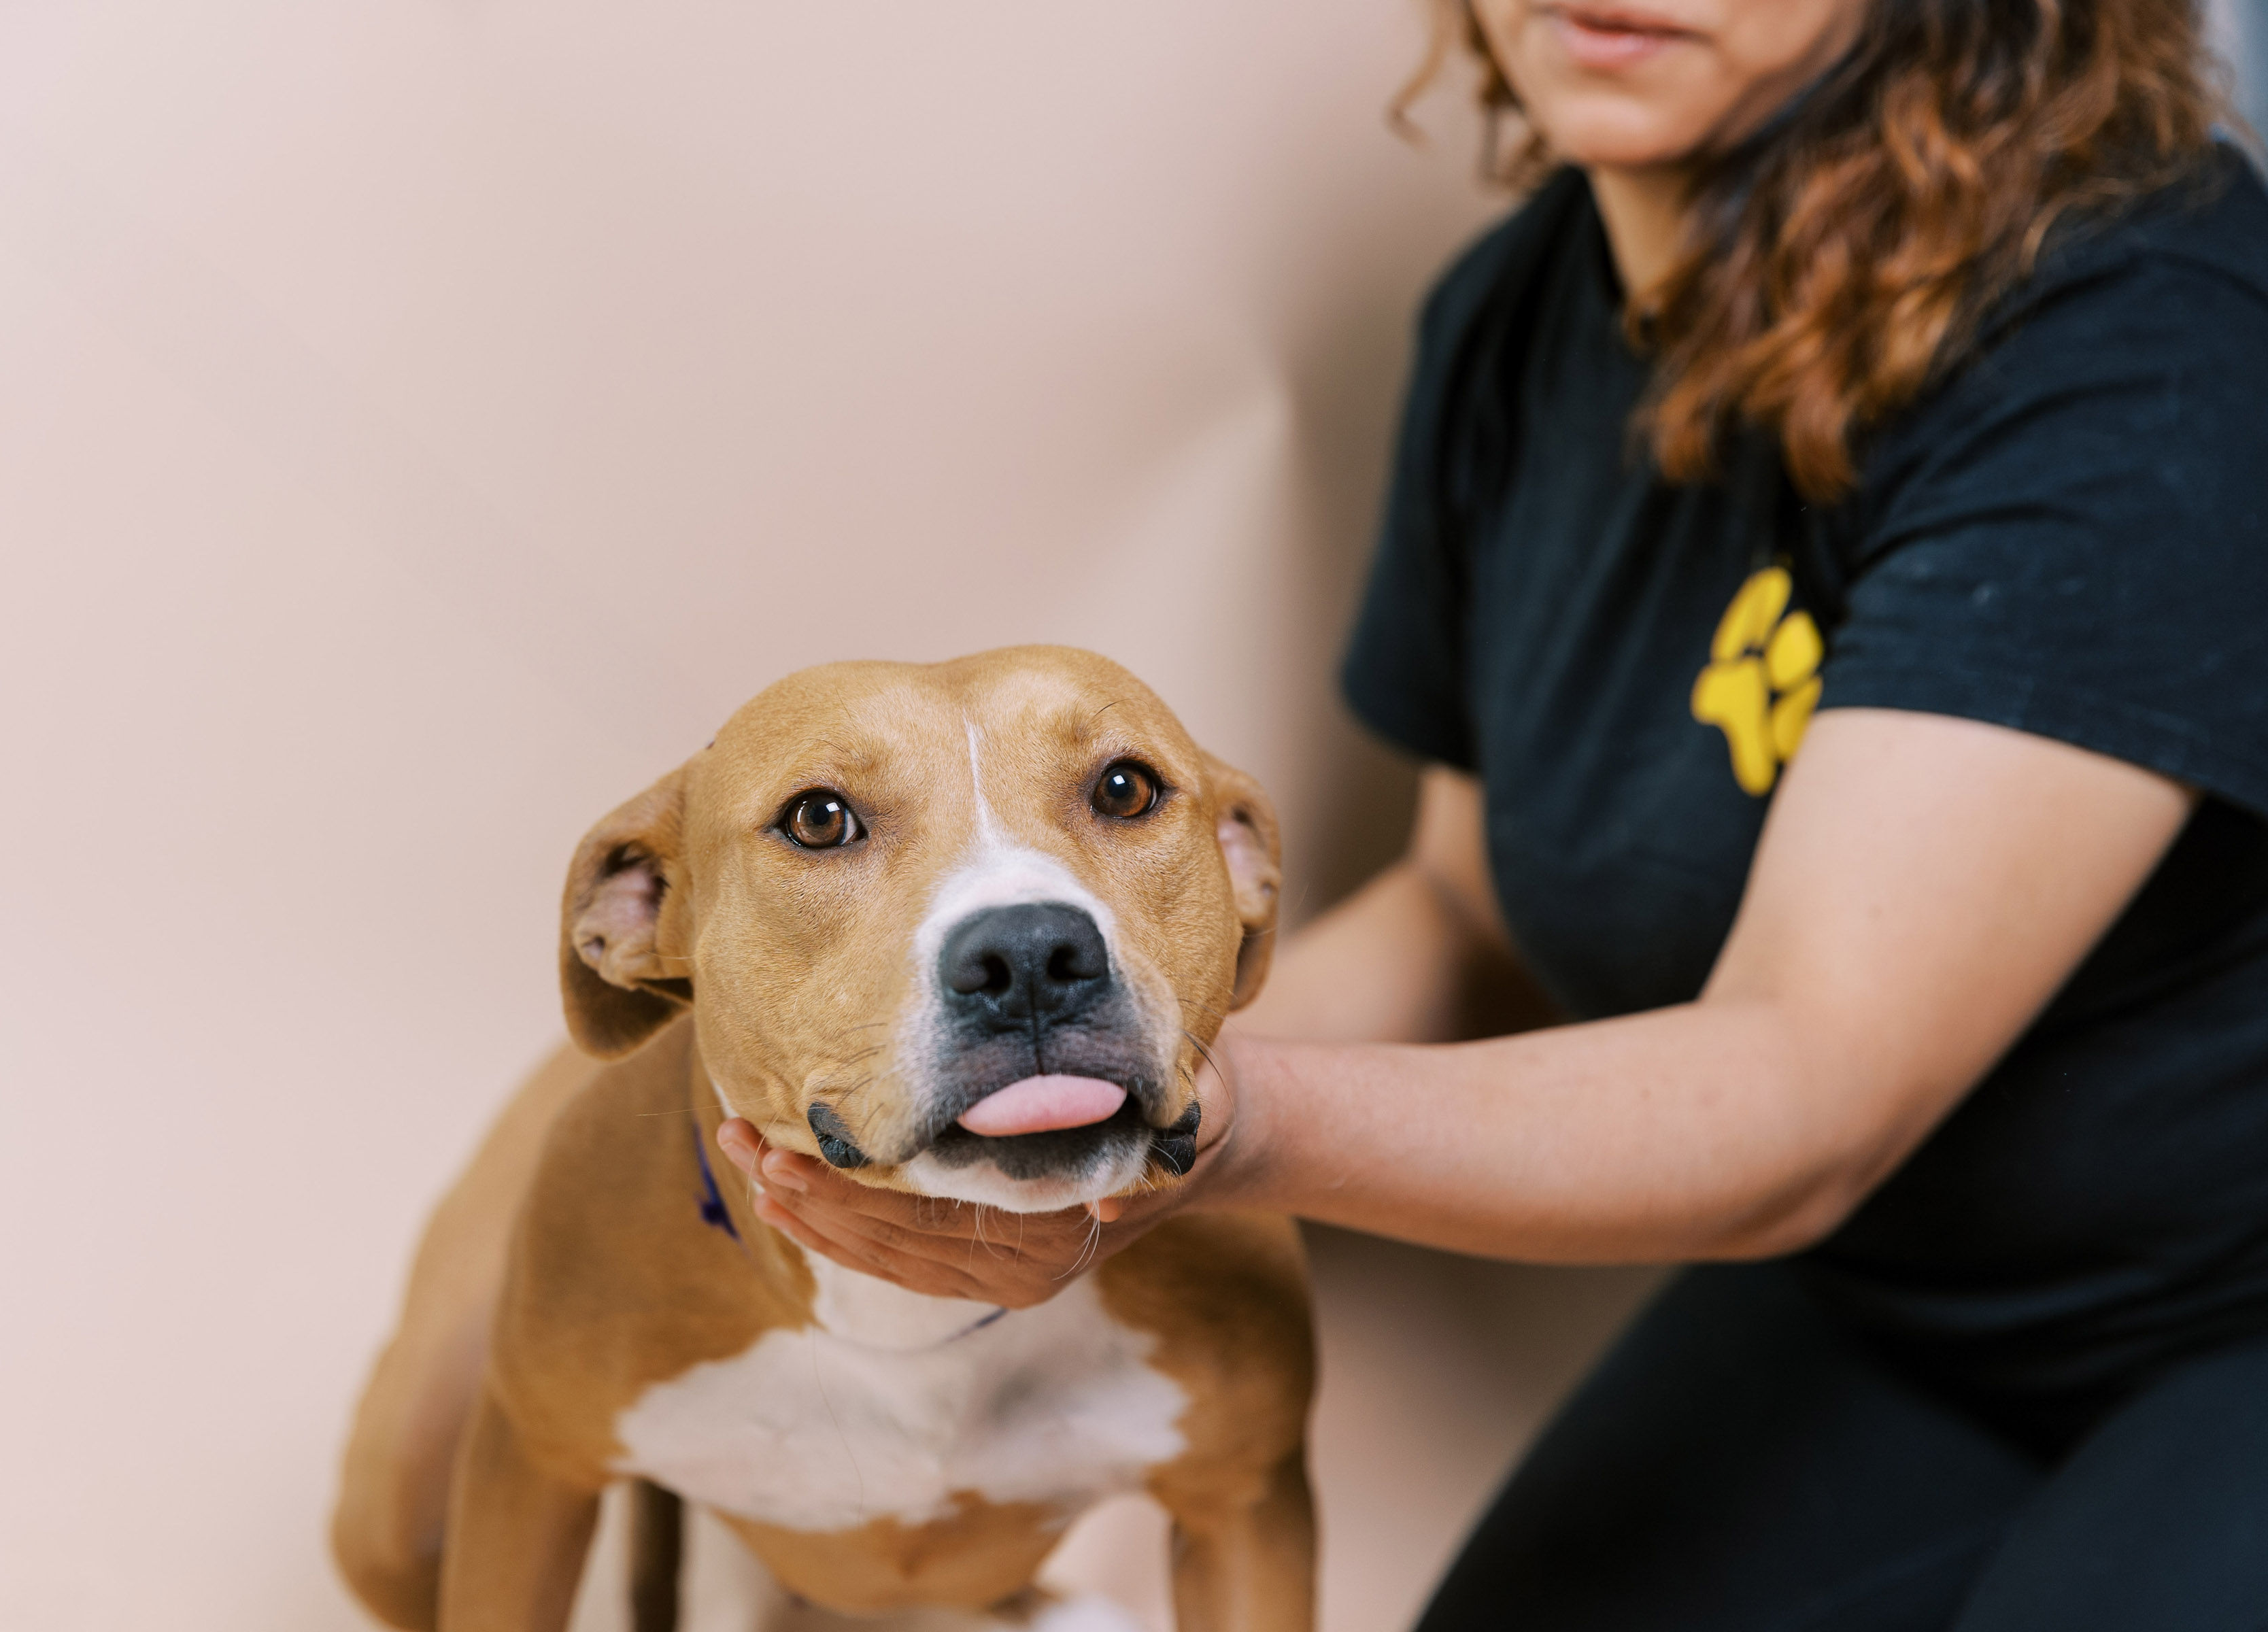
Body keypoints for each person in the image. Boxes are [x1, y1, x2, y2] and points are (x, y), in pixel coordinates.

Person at [718, 1, 2268, 1623]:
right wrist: (1048, 1080)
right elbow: (1472, 917)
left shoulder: (2142, 329)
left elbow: (1814, 1089)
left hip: (2229, 1312)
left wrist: (1200, 1133)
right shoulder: (1517, 322)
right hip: (1899, 1296)